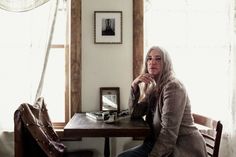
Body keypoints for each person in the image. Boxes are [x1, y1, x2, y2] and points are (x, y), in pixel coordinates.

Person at [118, 46, 207, 157]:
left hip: (182, 147)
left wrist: (153, 156)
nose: (152, 62)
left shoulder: (173, 87)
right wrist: (134, 86)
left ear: (166, 63)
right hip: (156, 142)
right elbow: (135, 113)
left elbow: (169, 133)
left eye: (158, 59)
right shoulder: (154, 86)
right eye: (149, 58)